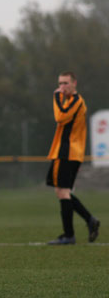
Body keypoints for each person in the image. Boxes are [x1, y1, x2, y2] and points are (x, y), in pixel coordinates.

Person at [46, 71, 100, 245]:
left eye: (66, 83)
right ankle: (90, 220)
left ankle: (69, 235)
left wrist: (55, 97)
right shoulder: (71, 101)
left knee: (62, 192)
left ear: (74, 83)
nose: (62, 87)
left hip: (67, 152)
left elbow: (59, 117)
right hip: (71, 152)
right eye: (60, 83)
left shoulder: (76, 101)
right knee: (63, 192)